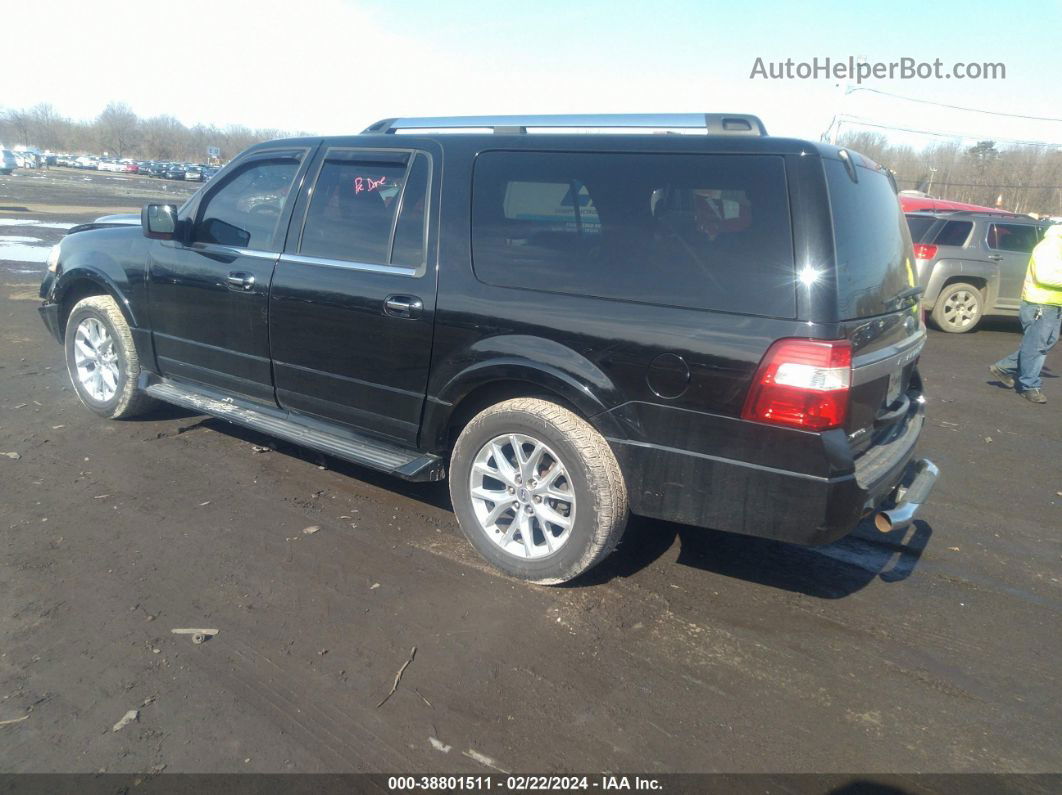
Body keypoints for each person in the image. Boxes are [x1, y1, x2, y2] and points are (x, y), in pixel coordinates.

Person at [989, 223, 1062, 403]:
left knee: (1042, 344)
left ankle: (1004, 368)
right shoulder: (1049, 247)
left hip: (1052, 304)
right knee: (1036, 347)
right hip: (1040, 304)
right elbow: (1044, 276)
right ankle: (1030, 386)